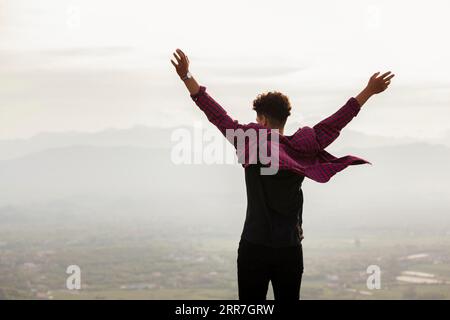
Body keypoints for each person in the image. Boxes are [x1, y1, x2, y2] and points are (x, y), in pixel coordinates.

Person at [171, 48, 394, 300]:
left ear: (263, 120)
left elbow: (216, 114)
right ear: (284, 119)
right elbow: (337, 121)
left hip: (254, 246)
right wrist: (369, 91)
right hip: (288, 249)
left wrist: (187, 76)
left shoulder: (250, 142)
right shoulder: (303, 147)